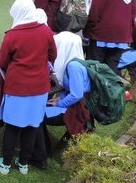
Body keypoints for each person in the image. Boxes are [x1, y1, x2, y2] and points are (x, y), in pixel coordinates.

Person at [0, 0, 57, 176]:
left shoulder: (12, 35)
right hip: (39, 88)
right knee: (32, 125)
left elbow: (2, 61)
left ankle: (6, 163)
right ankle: (23, 163)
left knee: (13, 126)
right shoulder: (45, 31)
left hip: (17, 87)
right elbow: (53, 54)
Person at [31, 32, 93, 169]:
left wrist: (59, 102)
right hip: (74, 104)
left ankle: (40, 156)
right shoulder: (77, 61)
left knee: (34, 116)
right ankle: (43, 151)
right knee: (38, 111)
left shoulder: (73, 67)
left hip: (75, 109)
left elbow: (76, 94)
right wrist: (59, 98)